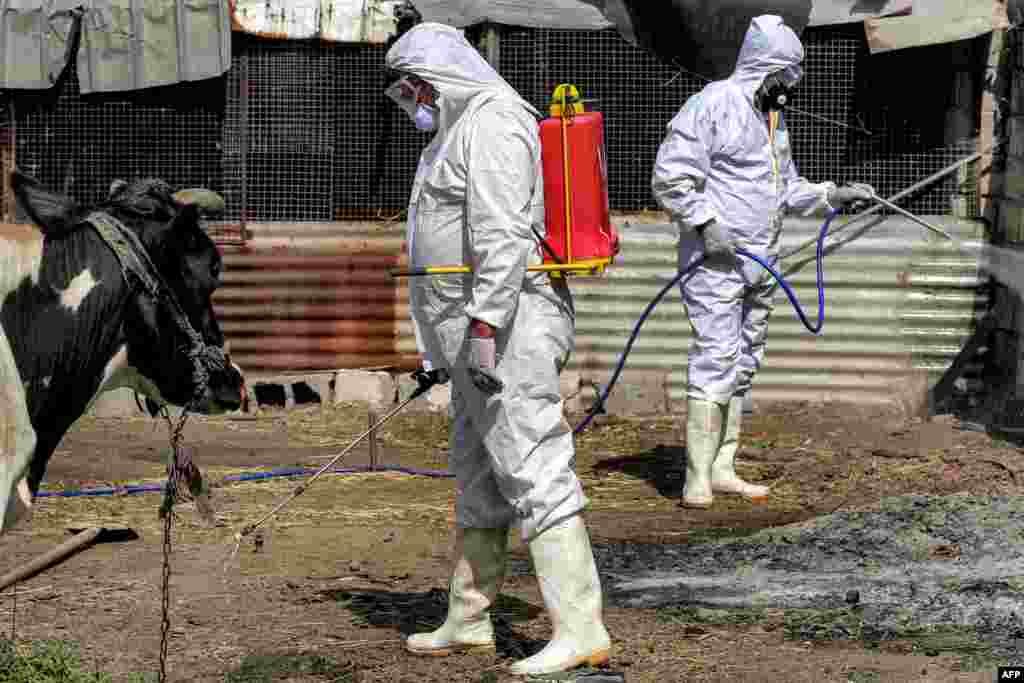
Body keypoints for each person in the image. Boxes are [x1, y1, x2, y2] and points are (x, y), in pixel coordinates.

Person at [384, 22, 612, 675]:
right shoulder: (457, 128)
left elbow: (503, 235)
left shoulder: (493, 122)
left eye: (419, 84)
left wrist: (483, 329)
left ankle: (580, 626)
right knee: (479, 467)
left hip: (508, 327)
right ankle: (469, 614)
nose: (414, 98)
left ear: (444, 72)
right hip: (474, 335)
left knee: (533, 459)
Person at [651, 15, 874, 509]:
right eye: (788, 73)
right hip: (716, 261)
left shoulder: (771, 120)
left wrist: (833, 194)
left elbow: (785, 188)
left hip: (761, 260)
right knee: (717, 355)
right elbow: (670, 178)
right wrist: (707, 224)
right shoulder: (713, 105)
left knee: (745, 360)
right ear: (766, 67)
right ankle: (696, 480)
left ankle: (723, 466)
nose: (792, 84)